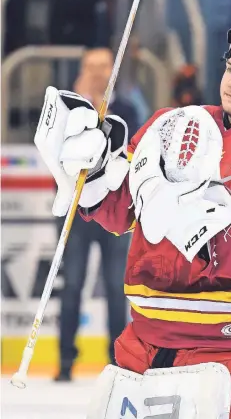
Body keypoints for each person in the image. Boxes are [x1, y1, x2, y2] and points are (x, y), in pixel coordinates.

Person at [35, 4, 231, 418]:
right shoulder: (174, 124)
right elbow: (122, 211)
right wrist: (92, 173)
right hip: (146, 348)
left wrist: (180, 215)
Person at [54, 47, 139, 381]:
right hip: (75, 212)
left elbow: (133, 148)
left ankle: (116, 361)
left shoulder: (128, 107)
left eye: (104, 65)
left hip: (112, 210)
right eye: (92, 66)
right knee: (72, 283)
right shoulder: (67, 109)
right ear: (82, 68)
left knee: (117, 285)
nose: (99, 72)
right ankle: (64, 360)